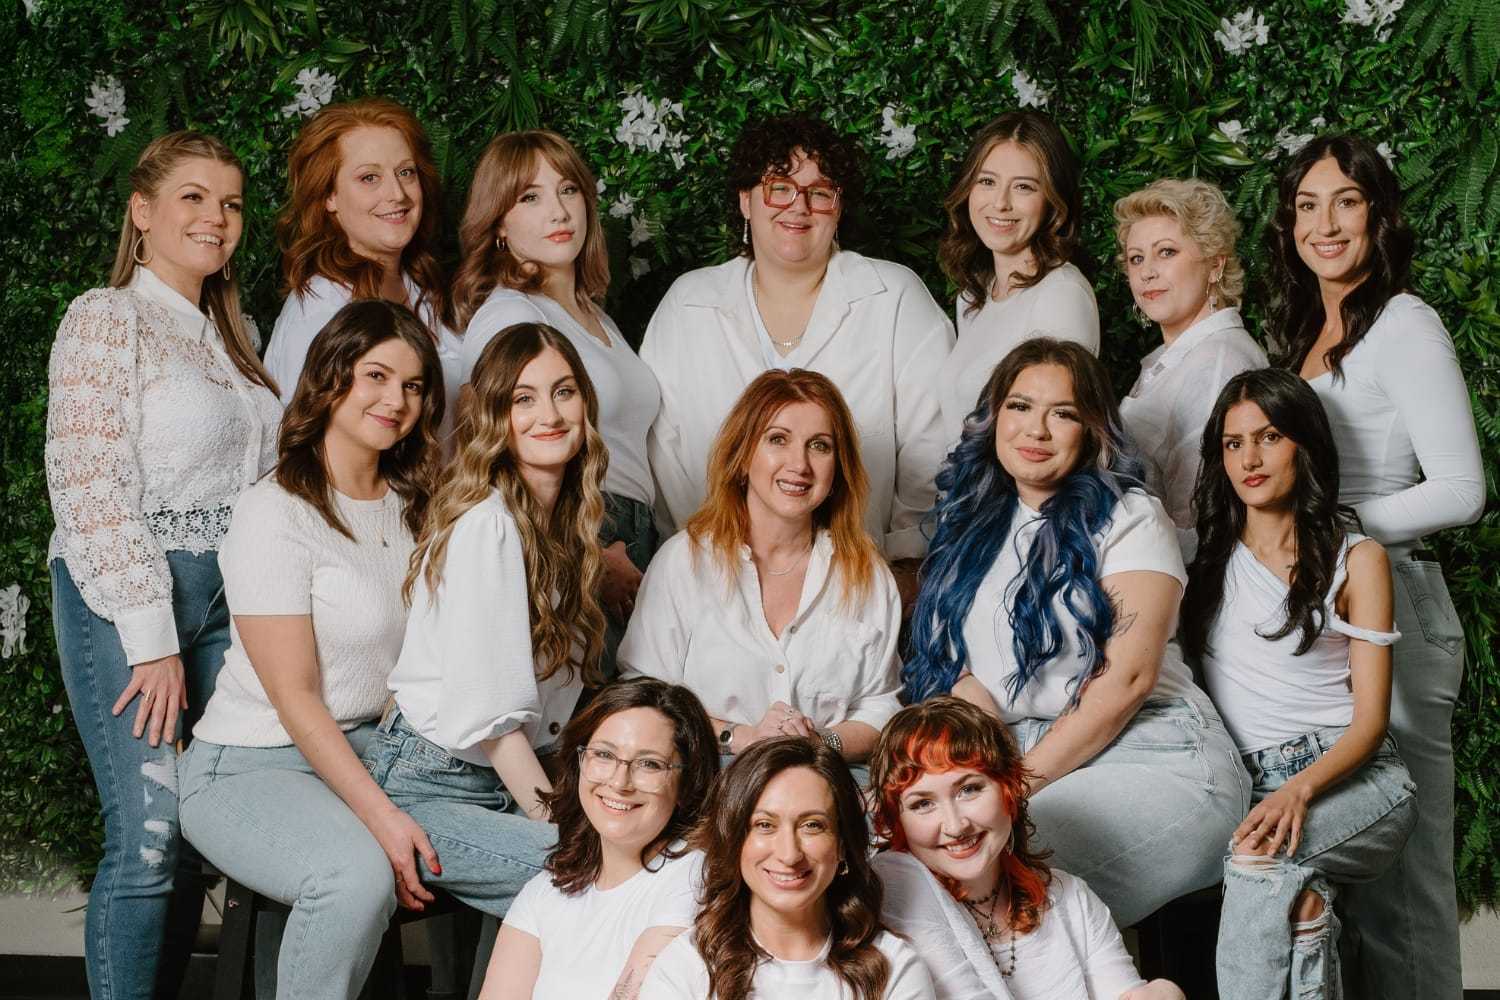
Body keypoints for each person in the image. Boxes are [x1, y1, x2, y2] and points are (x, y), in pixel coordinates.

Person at [44, 130, 282, 1000]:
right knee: (147, 837)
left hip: (228, 601)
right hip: (130, 595)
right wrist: (151, 637)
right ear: (142, 212)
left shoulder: (237, 335)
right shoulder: (106, 318)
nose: (216, 218)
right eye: (193, 197)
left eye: (230, 202)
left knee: (195, 838)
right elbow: (90, 481)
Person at [903, 337, 1247, 927]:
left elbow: (1128, 680)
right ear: (993, 419)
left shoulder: (1130, 517)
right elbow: (958, 669)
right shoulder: (973, 526)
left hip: (1154, 752)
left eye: (1061, 413)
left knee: (992, 868)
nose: (1036, 429)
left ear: (1092, 431)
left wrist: (1010, 789)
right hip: (1023, 754)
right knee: (902, 863)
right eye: (1019, 406)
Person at [1266, 133, 1484, 1000]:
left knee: (1405, 873)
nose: (1324, 223)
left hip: (1396, 601)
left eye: (1345, 202)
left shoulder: (1404, 324)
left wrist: (1331, 527)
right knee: (1347, 859)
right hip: (1329, 609)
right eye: (1307, 205)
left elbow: (1463, 488)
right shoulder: (1307, 329)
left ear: (1377, 216)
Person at [177, 300, 445, 1000]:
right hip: (247, 765)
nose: (396, 400)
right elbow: (295, 698)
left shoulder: (416, 506)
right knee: (353, 876)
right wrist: (385, 819)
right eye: (376, 376)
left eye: (414, 386)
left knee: (533, 856)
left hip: (366, 750)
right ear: (331, 379)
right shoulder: (275, 511)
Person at [641, 112, 952, 599]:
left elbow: (933, 446)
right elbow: (664, 455)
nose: (799, 207)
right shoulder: (689, 304)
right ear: (746, 200)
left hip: (862, 582)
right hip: (713, 583)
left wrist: (904, 566)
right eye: (779, 188)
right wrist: (711, 557)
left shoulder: (893, 297)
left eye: (820, 192)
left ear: (839, 207)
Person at [1181, 368, 1416, 998]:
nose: (1250, 458)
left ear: (1304, 445)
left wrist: (1299, 792)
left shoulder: (1355, 559)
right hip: (1251, 781)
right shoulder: (1203, 560)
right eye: (1233, 443)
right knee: (1301, 909)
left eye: (1270, 437)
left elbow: (1371, 722)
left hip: (1356, 780)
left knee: (1260, 863)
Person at [361, 322, 609, 919]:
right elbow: (497, 728)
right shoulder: (489, 526)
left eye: (564, 391)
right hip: (427, 785)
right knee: (596, 881)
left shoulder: (563, 524)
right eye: (523, 398)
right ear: (495, 416)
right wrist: (569, 827)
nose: (548, 413)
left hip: (499, 779)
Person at [619, 369, 903, 770]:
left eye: (819, 446)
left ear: (838, 468)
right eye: (777, 439)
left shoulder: (866, 576)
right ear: (742, 454)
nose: (799, 464)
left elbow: (880, 706)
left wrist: (823, 741)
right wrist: (740, 736)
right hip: (706, 784)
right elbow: (644, 694)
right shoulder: (684, 562)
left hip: (823, 788)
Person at [452, 129, 661, 672]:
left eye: (568, 189)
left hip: (630, 528)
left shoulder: (593, 313)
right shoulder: (512, 316)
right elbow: (496, 457)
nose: (558, 210)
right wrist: (590, 554)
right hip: (581, 529)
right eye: (530, 197)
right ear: (498, 222)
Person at [869, 697, 1184, 1000]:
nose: (955, 826)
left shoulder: (1069, 897)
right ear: (897, 820)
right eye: (923, 804)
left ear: (1008, 787)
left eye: (969, 789)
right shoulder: (893, 906)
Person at [640, 737, 936, 1000]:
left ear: (843, 844)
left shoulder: (894, 967)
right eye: (764, 825)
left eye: (812, 825)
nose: (789, 854)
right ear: (735, 839)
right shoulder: (686, 965)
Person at [478, 678, 719, 1000]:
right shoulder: (545, 891)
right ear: (580, 763)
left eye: (649, 764)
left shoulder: (694, 875)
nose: (620, 782)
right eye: (604, 755)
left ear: (687, 783)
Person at [262, 97, 462, 436]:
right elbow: (313, 451)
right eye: (370, 178)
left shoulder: (422, 288)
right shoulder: (322, 308)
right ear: (329, 197)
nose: (397, 194)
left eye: (405, 172)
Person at [1113, 177, 1267, 561]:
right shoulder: (1170, 359)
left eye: (1166, 252)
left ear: (1215, 265)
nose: (1147, 271)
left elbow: (1203, 525)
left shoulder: (1219, 362)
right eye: (1136, 258)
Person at [935, 110, 1100, 448]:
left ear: (1053, 202)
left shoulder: (1061, 295)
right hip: (965, 496)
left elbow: (1057, 439)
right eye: (987, 181)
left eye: (1023, 187)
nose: (1000, 203)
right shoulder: (972, 298)